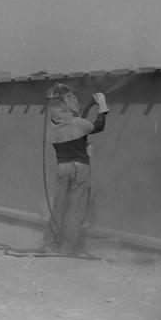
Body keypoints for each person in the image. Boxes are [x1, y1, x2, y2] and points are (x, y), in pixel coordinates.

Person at [42, 83, 109, 254]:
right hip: (80, 168)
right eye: (71, 98)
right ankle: (67, 247)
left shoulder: (53, 123)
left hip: (62, 167)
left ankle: (49, 243)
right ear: (66, 101)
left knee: (59, 206)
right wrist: (102, 104)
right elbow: (99, 125)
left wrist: (82, 143)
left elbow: (73, 135)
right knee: (75, 209)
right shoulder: (77, 123)